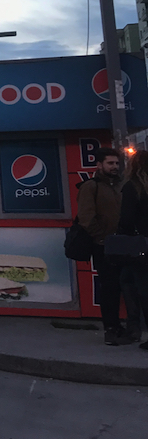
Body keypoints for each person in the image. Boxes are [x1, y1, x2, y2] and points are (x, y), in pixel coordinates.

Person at [78, 147, 132, 345]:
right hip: (103, 246)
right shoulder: (91, 187)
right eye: (110, 163)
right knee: (109, 287)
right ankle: (110, 328)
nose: (115, 167)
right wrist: (102, 238)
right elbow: (86, 218)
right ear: (99, 165)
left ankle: (120, 326)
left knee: (123, 286)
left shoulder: (121, 185)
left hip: (123, 245)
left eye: (117, 163)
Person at [118, 149, 148, 350]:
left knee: (140, 288)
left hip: (141, 247)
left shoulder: (132, 187)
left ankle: (134, 327)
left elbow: (127, 220)